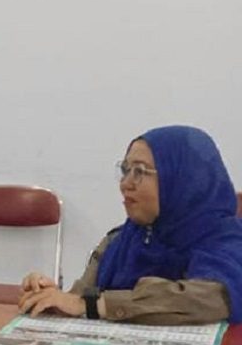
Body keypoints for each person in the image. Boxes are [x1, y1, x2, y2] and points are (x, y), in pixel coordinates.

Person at [20, 125, 242, 324]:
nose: (125, 184)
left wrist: (97, 305)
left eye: (140, 172)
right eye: (126, 170)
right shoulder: (119, 242)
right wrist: (50, 298)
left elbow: (213, 298)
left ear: (185, 180)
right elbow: (79, 300)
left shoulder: (227, 243)